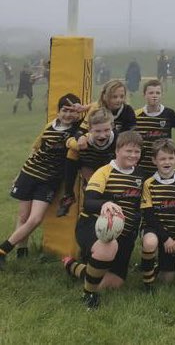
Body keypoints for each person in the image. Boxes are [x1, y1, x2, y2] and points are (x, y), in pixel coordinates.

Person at [63, 131, 144, 309]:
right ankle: (89, 294)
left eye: (137, 151)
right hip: (93, 224)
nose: (133, 155)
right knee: (108, 246)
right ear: (117, 150)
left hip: (124, 233)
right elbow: (89, 202)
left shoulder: (140, 174)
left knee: (114, 283)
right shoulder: (104, 171)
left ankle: (72, 266)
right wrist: (105, 203)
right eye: (128, 151)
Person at [0, 94, 83, 266]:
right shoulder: (49, 126)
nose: (68, 114)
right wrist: (19, 173)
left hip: (49, 180)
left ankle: (3, 250)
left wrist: (84, 109)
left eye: (72, 111)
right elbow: (36, 148)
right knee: (23, 216)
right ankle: (22, 251)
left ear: (78, 113)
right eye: (64, 110)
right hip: (29, 173)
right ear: (58, 111)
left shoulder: (77, 130)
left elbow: (97, 109)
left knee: (36, 219)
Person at [139, 139, 175, 291]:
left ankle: (155, 266)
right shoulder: (148, 183)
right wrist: (165, 238)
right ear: (154, 160)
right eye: (162, 158)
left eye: (170, 158)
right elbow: (149, 216)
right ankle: (147, 284)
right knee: (150, 242)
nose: (167, 162)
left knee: (166, 279)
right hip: (155, 229)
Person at [56, 108, 118, 217]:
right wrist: (77, 139)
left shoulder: (118, 139)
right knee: (72, 151)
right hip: (88, 167)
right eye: (97, 131)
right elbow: (68, 141)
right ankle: (69, 194)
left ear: (112, 126)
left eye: (106, 130)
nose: (102, 135)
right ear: (89, 129)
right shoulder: (83, 141)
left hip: (108, 170)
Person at [134, 79, 175, 177]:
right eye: (151, 93)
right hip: (142, 167)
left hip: (164, 167)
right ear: (144, 95)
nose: (154, 95)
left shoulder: (169, 114)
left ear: (161, 95)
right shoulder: (137, 115)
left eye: (158, 92)